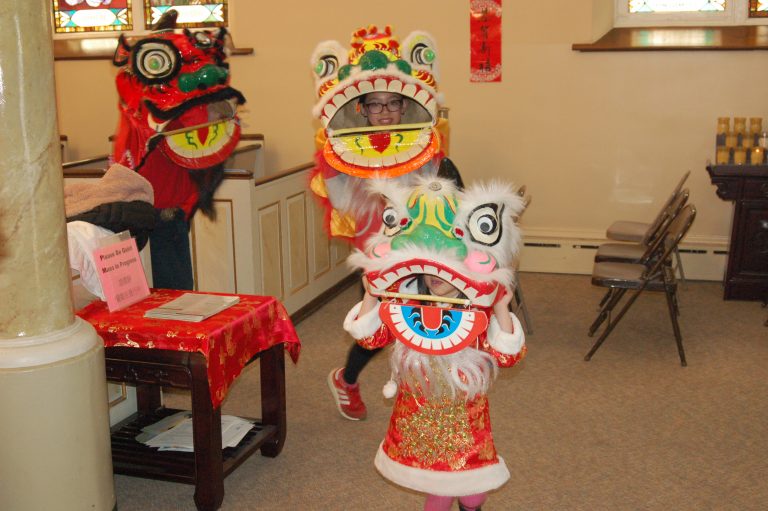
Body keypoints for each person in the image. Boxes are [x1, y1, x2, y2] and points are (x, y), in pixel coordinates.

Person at [342, 273, 525, 511]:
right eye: (429, 269)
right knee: (438, 493)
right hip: (419, 424)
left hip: (466, 424)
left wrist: (499, 305)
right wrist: (371, 294)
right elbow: (369, 339)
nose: (433, 277)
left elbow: (507, 356)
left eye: (444, 271)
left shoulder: (478, 313)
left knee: (473, 494)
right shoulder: (407, 306)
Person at [326, 91, 408, 421]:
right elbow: (341, 204)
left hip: (417, 249)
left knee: (418, 324)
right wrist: (330, 161)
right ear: (362, 108)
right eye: (375, 103)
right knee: (375, 328)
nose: (385, 111)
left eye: (393, 102)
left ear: (404, 105)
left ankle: (416, 392)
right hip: (375, 253)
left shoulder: (422, 145)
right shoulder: (349, 150)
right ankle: (346, 380)